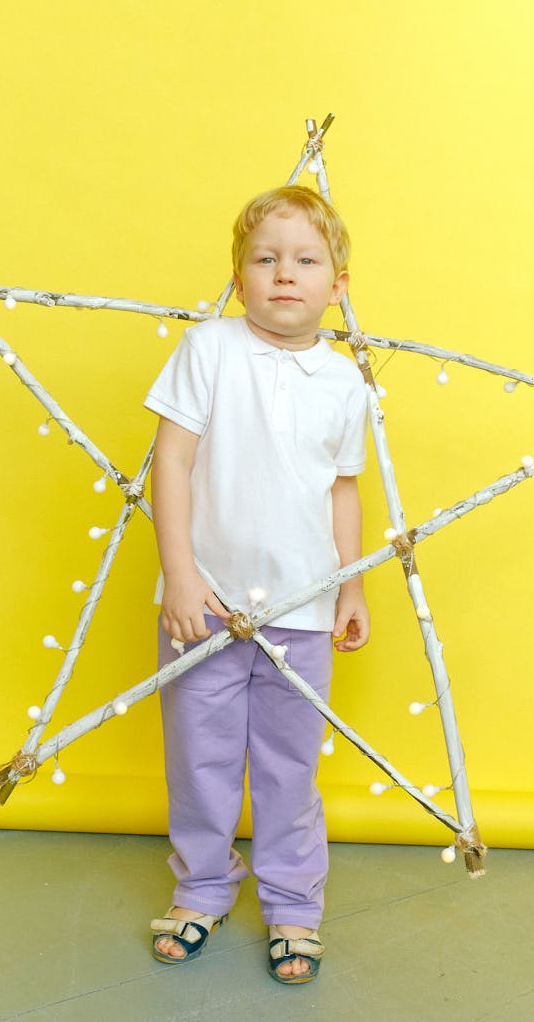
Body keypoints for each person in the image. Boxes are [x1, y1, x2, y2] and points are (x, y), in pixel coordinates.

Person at [144, 184, 370, 984]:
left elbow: (342, 489)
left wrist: (349, 587)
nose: (285, 274)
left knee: (288, 763)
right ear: (238, 276)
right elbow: (170, 460)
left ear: (338, 285)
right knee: (200, 756)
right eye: (265, 258)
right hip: (203, 603)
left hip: (301, 610)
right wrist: (181, 574)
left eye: (306, 260)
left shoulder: (348, 384)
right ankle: (201, 887)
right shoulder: (209, 349)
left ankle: (293, 904)